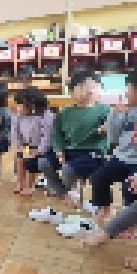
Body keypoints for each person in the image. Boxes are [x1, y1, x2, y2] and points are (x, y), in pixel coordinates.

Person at [31, 71, 110, 222]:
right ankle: (65, 194)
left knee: (68, 168)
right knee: (43, 162)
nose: (89, 91)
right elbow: (57, 134)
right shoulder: (65, 112)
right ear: (72, 92)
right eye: (83, 87)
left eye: (94, 87)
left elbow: (114, 129)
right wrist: (59, 150)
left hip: (93, 153)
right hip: (70, 151)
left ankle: (70, 194)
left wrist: (109, 126)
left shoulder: (104, 110)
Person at [90, 67, 137, 227]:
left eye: (129, 88)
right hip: (122, 158)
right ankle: (106, 210)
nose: (126, 93)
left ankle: (133, 224)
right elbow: (113, 138)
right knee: (99, 176)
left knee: (131, 187)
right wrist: (116, 115)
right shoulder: (127, 110)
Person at [11, 87, 55, 196]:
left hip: (45, 148)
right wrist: (19, 146)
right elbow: (15, 132)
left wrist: (39, 150)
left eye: (21, 104)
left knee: (31, 160)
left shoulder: (46, 116)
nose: (18, 107)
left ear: (32, 104)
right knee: (20, 159)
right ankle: (21, 183)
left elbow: (47, 137)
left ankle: (30, 185)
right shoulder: (19, 115)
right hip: (27, 145)